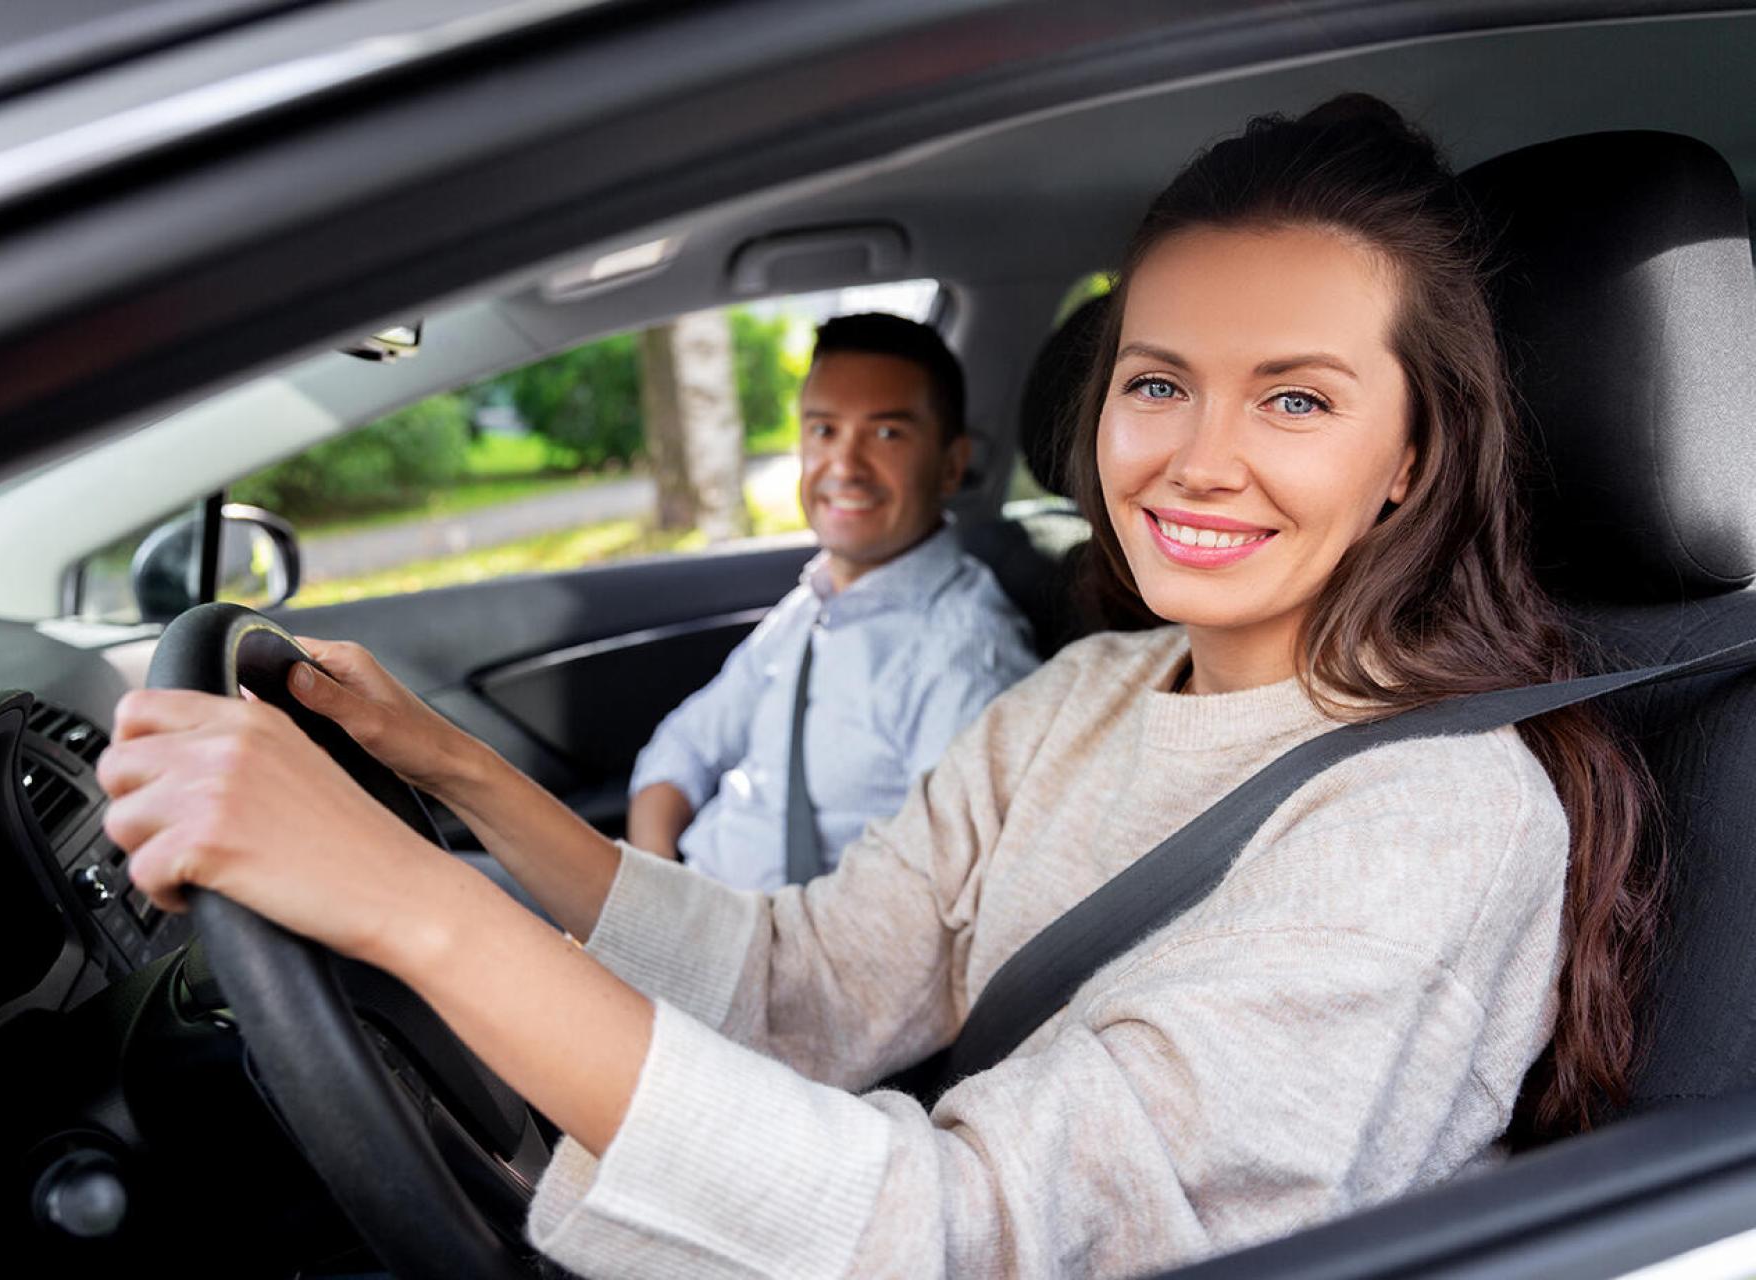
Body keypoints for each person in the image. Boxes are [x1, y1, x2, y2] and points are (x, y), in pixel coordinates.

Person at [99, 95, 1659, 1277]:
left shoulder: (1435, 817)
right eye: (1159, 380)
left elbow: (977, 1239)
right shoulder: (1095, 688)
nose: (1198, 456)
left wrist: (410, 909)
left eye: (1298, 397)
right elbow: (804, 985)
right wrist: (450, 781)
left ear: (1412, 459)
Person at [625, 312, 1038, 889]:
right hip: (674, 909)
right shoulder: (813, 603)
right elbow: (684, 746)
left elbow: (934, 907)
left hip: (768, 964)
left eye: (887, 434)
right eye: (823, 431)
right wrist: (651, 890)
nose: (844, 467)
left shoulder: (963, 655)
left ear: (950, 465)